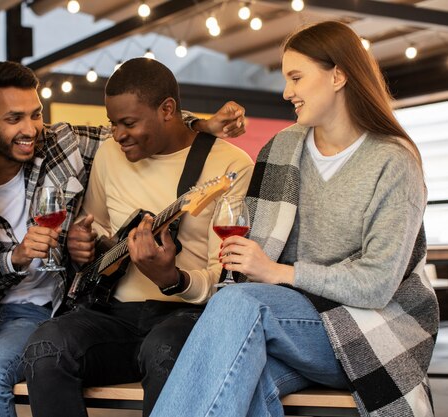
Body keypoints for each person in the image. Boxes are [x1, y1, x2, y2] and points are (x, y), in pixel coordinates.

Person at [0, 60, 247, 417]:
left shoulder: (60, 144)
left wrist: (200, 125)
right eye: (14, 118)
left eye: (36, 114)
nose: (32, 128)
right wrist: (23, 256)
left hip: (43, 309)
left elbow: (146, 125)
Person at [149, 21, 439, 417]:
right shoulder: (282, 148)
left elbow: (376, 284)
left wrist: (277, 272)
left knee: (240, 304)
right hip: (294, 322)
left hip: (368, 328)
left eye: (297, 77)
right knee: (246, 382)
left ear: (338, 75)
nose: (287, 92)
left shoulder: (393, 161)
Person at [23, 57, 255, 417]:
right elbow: (97, 224)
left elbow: (228, 280)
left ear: (167, 110)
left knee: (163, 350)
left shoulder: (229, 165)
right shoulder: (109, 153)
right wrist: (84, 244)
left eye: (128, 123)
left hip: (188, 315)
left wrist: (172, 279)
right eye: (112, 124)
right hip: (115, 313)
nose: (117, 135)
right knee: (46, 347)